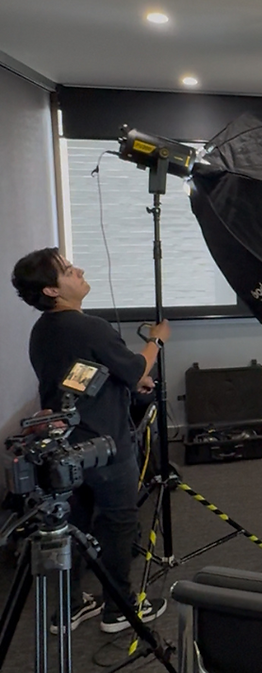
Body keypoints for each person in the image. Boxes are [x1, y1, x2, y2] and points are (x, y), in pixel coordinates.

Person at [11, 248, 171, 633]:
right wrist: (156, 342)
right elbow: (134, 368)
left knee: (76, 521)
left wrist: (126, 377)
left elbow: (81, 376)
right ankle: (120, 608)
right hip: (105, 445)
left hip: (64, 448)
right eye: (67, 270)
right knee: (118, 521)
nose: (78, 270)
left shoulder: (45, 329)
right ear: (52, 290)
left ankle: (68, 607)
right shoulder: (89, 326)